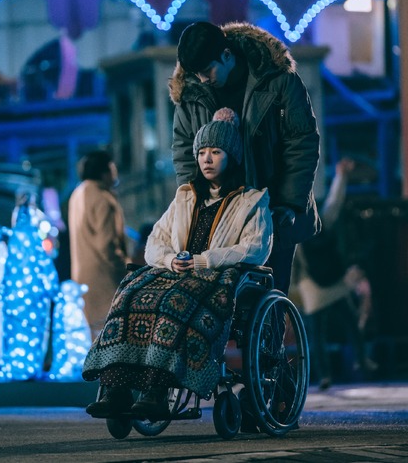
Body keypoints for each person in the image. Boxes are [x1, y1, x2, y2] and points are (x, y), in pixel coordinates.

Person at [82, 108, 272, 420]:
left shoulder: (251, 200)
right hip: (173, 271)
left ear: (232, 156)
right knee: (129, 297)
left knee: (172, 306)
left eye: (216, 151)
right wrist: (170, 259)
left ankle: (155, 392)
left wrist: (204, 260)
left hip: (216, 278)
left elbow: (255, 247)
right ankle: (115, 388)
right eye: (202, 152)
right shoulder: (185, 196)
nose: (207, 159)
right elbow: (155, 241)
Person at [169, 21, 320, 296]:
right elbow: (183, 150)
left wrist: (287, 203)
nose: (203, 79)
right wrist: (194, 199)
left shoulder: (278, 79)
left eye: (207, 71)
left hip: (274, 209)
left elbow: (302, 143)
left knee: (270, 296)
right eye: (196, 73)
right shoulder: (190, 93)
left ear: (227, 55)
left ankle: (270, 340)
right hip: (219, 214)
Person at [292, 157, 376, 390]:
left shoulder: (292, 230)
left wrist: (292, 288)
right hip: (333, 278)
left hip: (311, 285)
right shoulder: (320, 221)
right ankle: (362, 360)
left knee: (316, 334)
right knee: (350, 321)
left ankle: (324, 375)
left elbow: (294, 266)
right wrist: (341, 176)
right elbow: (335, 202)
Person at [67, 149, 129, 338]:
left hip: (82, 276)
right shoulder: (102, 198)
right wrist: (126, 268)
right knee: (113, 335)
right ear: (105, 171)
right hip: (105, 278)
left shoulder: (77, 194)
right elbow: (107, 245)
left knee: (93, 335)